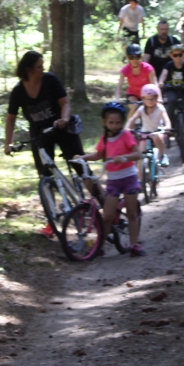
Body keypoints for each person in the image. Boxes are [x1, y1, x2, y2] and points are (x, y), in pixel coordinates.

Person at [3, 51, 89, 234]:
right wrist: (8, 143)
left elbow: (65, 103)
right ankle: (52, 219)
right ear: (28, 69)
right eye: (39, 67)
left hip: (62, 130)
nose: (43, 69)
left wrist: (64, 119)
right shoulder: (18, 91)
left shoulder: (50, 80)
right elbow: (10, 119)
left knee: (80, 166)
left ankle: (101, 203)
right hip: (40, 136)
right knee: (45, 176)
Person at [74, 102, 146, 256]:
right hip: (113, 181)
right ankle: (99, 247)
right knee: (107, 217)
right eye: (111, 122)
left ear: (122, 122)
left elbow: (137, 154)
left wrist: (124, 158)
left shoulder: (126, 135)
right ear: (104, 122)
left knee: (131, 213)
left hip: (129, 178)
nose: (114, 126)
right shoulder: (105, 139)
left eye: (118, 122)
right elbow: (99, 154)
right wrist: (82, 157)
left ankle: (134, 244)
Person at [125, 84, 171, 168]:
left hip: (158, 131)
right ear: (143, 99)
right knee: (140, 157)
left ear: (157, 98)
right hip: (145, 133)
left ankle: (163, 156)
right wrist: (127, 128)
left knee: (156, 136)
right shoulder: (141, 109)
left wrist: (167, 126)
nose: (150, 101)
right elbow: (132, 119)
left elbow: (166, 119)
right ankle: (140, 175)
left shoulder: (160, 108)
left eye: (153, 98)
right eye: (147, 99)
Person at [116, 43, 158, 117]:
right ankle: (129, 124)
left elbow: (155, 84)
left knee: (150, 111)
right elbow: (119, 85)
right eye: (131, 57)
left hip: (147, 94)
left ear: (141, 56)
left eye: (137, 57)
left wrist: (158, 98)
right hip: (133, 94)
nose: (135, 60)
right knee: (134, 106)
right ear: (127, 57)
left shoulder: (148, 68)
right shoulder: (125, 70)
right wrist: (117, 98)